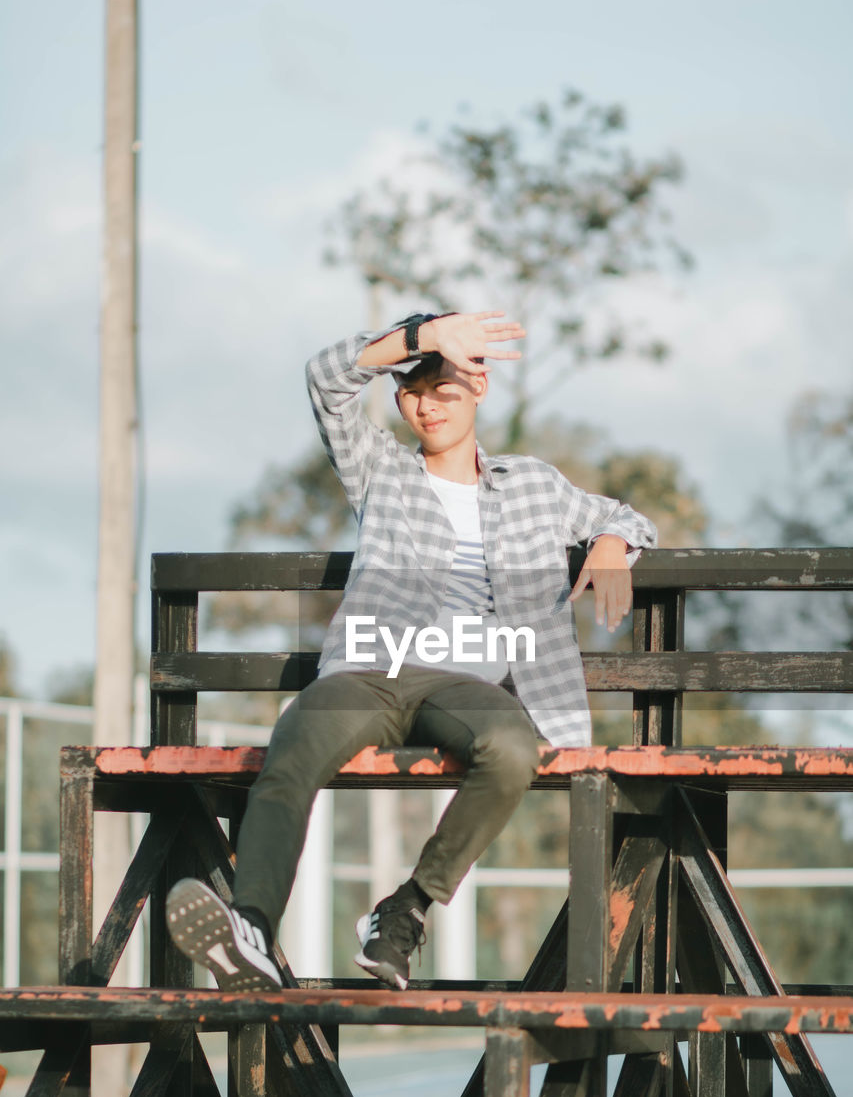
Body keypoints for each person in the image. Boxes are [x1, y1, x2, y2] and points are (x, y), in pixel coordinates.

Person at [166, 310, 657, 991]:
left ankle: (406, 911)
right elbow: (325, 379)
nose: (427, 407)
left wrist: (610, 543)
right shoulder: (381, 471)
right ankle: (248, 928)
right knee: (295, 744)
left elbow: (626, 517)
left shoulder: (533, 485)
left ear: (478, 391)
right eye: (413, 393)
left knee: (512, 748)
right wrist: (422, 336)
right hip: (369, 671)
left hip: (465, 686)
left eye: (444, 392)